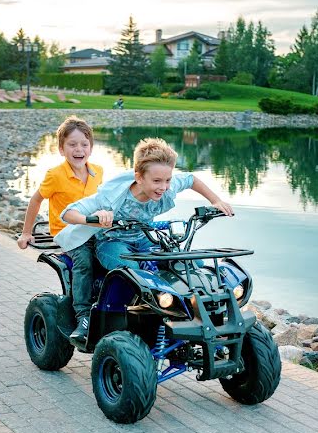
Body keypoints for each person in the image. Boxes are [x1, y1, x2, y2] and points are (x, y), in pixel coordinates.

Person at [57, 138, 233, 340]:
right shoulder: (111, 196)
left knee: (189, 261)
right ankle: (88, 317)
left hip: (144, 237)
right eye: (157, 181)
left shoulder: (165, 183)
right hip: (111, 242)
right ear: (139, 177)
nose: (164, 187)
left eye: (167, 180)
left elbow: (192, 179)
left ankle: (202, 313)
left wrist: (216, 201)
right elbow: (68, 213)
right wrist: (94, 220)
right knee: (133, 270)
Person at [17, 116, 103, 345]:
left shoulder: (98, 172)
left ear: (91, 148)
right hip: (68, 233)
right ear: (61, 149)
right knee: (84, 260)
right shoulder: (55, 175)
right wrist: (26, 232)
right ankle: (83, 314)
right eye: (72, 145)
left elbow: (107, 202)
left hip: (93, 229)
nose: (79, 149)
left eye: (84, 144)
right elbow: (36, 201)